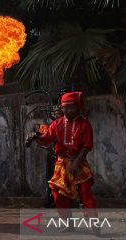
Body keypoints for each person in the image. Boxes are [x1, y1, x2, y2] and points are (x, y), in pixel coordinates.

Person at [26, 92, 100, 236]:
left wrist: (77, 162)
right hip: (61, 164)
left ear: (77, 107)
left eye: (71, 107)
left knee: (86, 193)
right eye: (66, 108)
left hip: (79, 162)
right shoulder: (57, 124)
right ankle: (68, 224)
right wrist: (35, 137)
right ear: (62, 108)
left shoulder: (84, 124)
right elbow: (46, 139)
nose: (68, 111)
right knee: (58, 196)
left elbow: (87, 146)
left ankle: (94, 225)